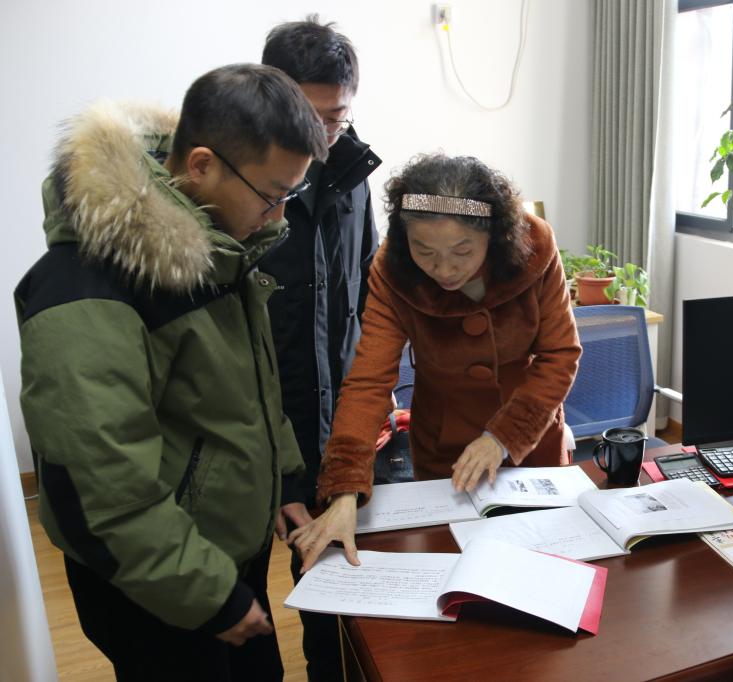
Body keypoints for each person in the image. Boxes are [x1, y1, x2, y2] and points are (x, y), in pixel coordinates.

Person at [15, 64, 327, 681]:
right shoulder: (85, 287)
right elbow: (101, 487)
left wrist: (286, 480)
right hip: (154, 585)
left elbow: (246, 388)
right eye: (272, 194)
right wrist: (206, 594)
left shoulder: (219, 243)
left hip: (216, 558)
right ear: (203, 165)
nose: (278, 217)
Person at [288, 153, 582, 570]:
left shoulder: (535, 247)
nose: (443, 269)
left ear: (493, 235)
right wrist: (345, 489)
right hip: (444, 444)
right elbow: (369, 382)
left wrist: (502, 438)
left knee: (540, 565)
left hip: (529, 438)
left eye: (462, 251)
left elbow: (560, 354)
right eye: (424, 251)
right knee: (451, 566)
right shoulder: (393, 270)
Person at [259, 17, 381, 682]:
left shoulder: (354, 173)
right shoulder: (246, 182)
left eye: (337, 116)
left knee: (335, 584)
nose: (324, 133)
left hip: (341, 422)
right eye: (310, 116)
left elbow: (369, 292)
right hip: (261, 427)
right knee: (255, 606)